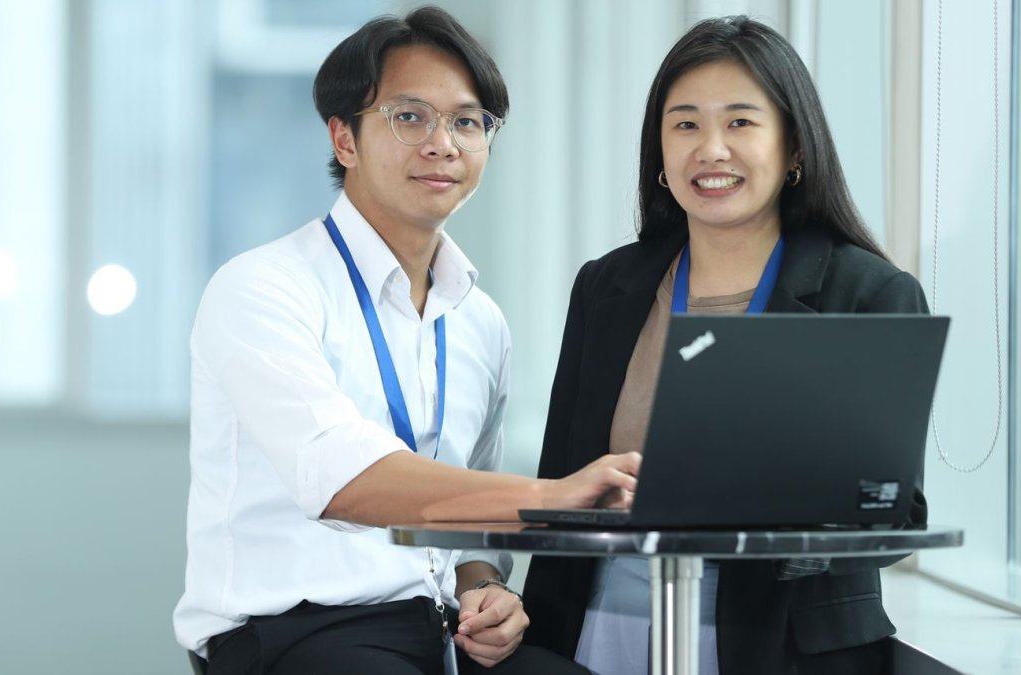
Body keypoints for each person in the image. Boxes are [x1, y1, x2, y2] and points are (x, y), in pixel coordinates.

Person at [173, 6, 638, 675]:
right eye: (410, 115)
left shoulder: (480, 321)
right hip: (295, 635)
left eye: (467, 121)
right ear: (344, 139)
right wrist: (556, 495)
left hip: (441, 632)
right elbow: (344, 480)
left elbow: (468, 519)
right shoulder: (263, 287)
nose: (443, 143)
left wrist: (485, 586)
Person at [521, 15, 929, 675]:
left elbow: (894, 514)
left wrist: (757, 513)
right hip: (603, 627)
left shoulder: (868, 292)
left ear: (795, 148)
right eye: (685, 124)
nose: (710, 149)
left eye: (740, 122)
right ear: (659, 152)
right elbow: (558, 485)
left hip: (781, 642)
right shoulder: (606, 287)